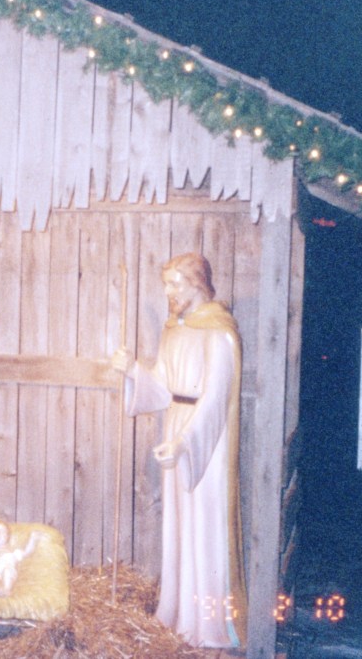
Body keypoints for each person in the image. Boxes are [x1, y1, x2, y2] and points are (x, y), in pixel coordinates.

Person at [111, 253, 247, 649]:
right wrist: (133, 369)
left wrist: (186, 443)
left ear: (197, 283)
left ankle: (206, 623)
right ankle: (176, 611)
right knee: (178, 526)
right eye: (166, 284)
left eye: (174, 284)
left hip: (204, 441)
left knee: (203, 527)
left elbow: (216, 399)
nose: (168, 292)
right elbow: (161, 388)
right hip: (175, 428)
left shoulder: (219, 333)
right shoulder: (175, 330)